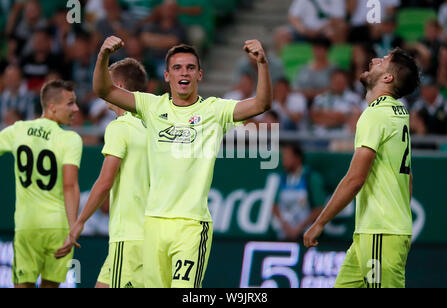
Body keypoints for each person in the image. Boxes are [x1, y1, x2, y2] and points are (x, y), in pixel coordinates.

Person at [93, 36, 272, 288]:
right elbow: (103, 90)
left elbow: (262, 103)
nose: (183, 72)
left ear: (200, 74)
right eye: (177, 68)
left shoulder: (214, 110)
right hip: (153, 224)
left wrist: (262, 64)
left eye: (190, 67)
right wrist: (103, 57)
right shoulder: (151, 106)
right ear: (167, 76)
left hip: (191, 225)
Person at [304, 47, 420, 288]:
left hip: (380, 232)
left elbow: (355, 180)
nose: (374, 59)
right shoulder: (399, 113)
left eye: (383, 61)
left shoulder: (375, 115)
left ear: (388, 78)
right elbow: (408, 178)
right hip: (372, 233)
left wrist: (319, 222)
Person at [55, 58, 150, 288]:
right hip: (152, 236)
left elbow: (104, 182)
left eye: (104, 81)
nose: (99, 87)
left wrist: (79, 222)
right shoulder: (154, 125)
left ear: (119, 86)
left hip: (128, 238)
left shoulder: (119, 127)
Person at [0, 80, 82, 288]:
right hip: (58, 226)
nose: (76, 109)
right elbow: (70, 186)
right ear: (52, 106)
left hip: (27, 226)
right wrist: (74, 228)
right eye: (70, 103)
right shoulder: (70, 139)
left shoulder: (18, 130)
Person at [272, 143, 326, 241]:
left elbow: (320, 208)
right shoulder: (282, 178)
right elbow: (275, 206)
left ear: (297, 158)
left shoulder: (311, 178)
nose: (284, 160)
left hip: (306, 236)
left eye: (287, 156)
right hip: (285, 235)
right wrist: (286, 226)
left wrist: (299, 228)